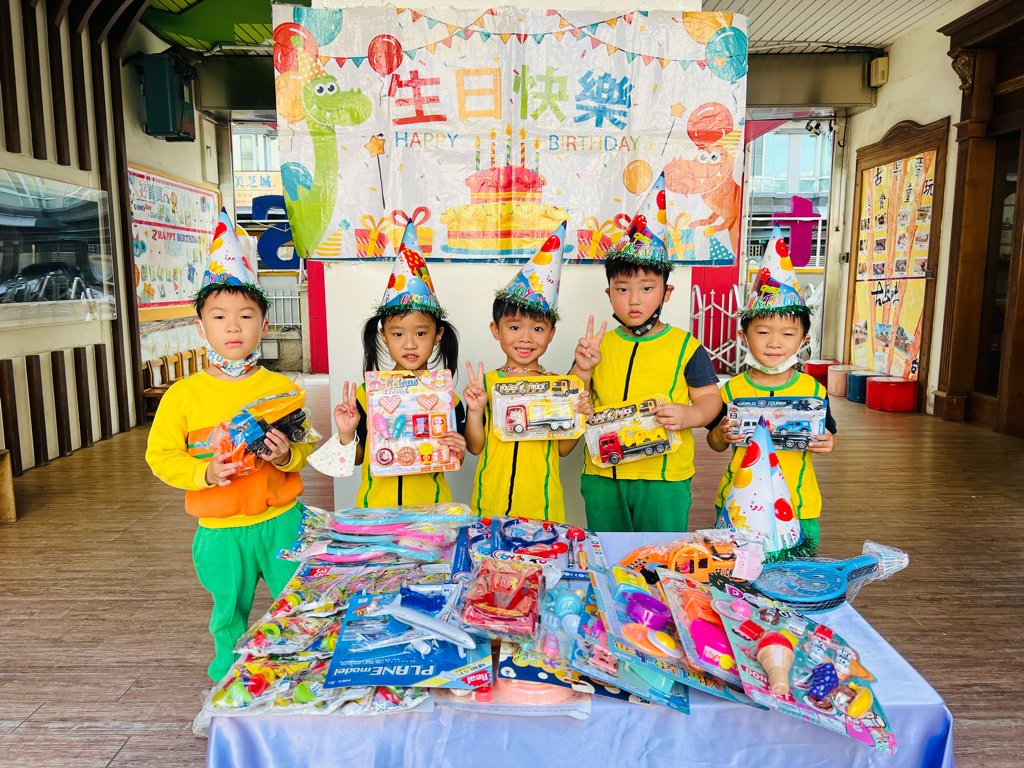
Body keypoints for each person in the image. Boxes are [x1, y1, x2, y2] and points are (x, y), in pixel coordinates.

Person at [145, 211, 322, 681]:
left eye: (246, 317)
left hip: (283, 521)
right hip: (220, 530)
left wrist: (287, 455)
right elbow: (160, 456)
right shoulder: (183, 395)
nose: (233, 328)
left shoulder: (282, 387)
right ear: (200, 326)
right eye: (219, 317)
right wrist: (203, 473)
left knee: (297, 601)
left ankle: (300, 665)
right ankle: (229, 674)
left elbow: (306, 443)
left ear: (263, 325)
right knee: (228, 609)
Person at [572, 173, 722, 532]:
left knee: (659, 555)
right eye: (622, 289)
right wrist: (582, 370)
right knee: (607, 552)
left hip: (663, 478)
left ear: (666, 292)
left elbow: (711, 401)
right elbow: (574, 400)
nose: (634, 300)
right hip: (603, 473)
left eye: (647, 287)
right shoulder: (597, 346)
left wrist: (690, 415)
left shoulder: (686, 346)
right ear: (609, 294)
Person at [707, 225, 837, 555]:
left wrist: (828, 443)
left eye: (788, 334)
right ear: (743, 336)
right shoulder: (731, 389)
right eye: (763, 332)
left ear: (804, 340)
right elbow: (714, 442)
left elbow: (829, 435)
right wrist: (721, 434)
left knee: (795, 574)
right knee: (737, 571)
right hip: (739, 503)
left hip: (798, 504)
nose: (775, 343)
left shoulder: (813, 390)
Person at [328, 222, 466, 506]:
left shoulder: (448, 399)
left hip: (431, 512)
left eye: (421, 333)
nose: (410, 344)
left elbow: (454, 459)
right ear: (384, 336)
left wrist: (458, 448)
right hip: (376, 512)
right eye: (398, 334)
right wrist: (346, 433)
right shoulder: (367, 394)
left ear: (438, 335)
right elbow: (357, 459)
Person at [464, 222, 589, 522]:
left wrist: (580, 417)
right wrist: (475, 411)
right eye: (514, 327)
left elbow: (563, 450)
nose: (525, 338)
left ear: (551, 334)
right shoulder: (486, 383)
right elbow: (475, 447)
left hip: (542, 507)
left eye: (538, 329)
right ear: (496, 330)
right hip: (490, 503)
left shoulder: (558, 387)